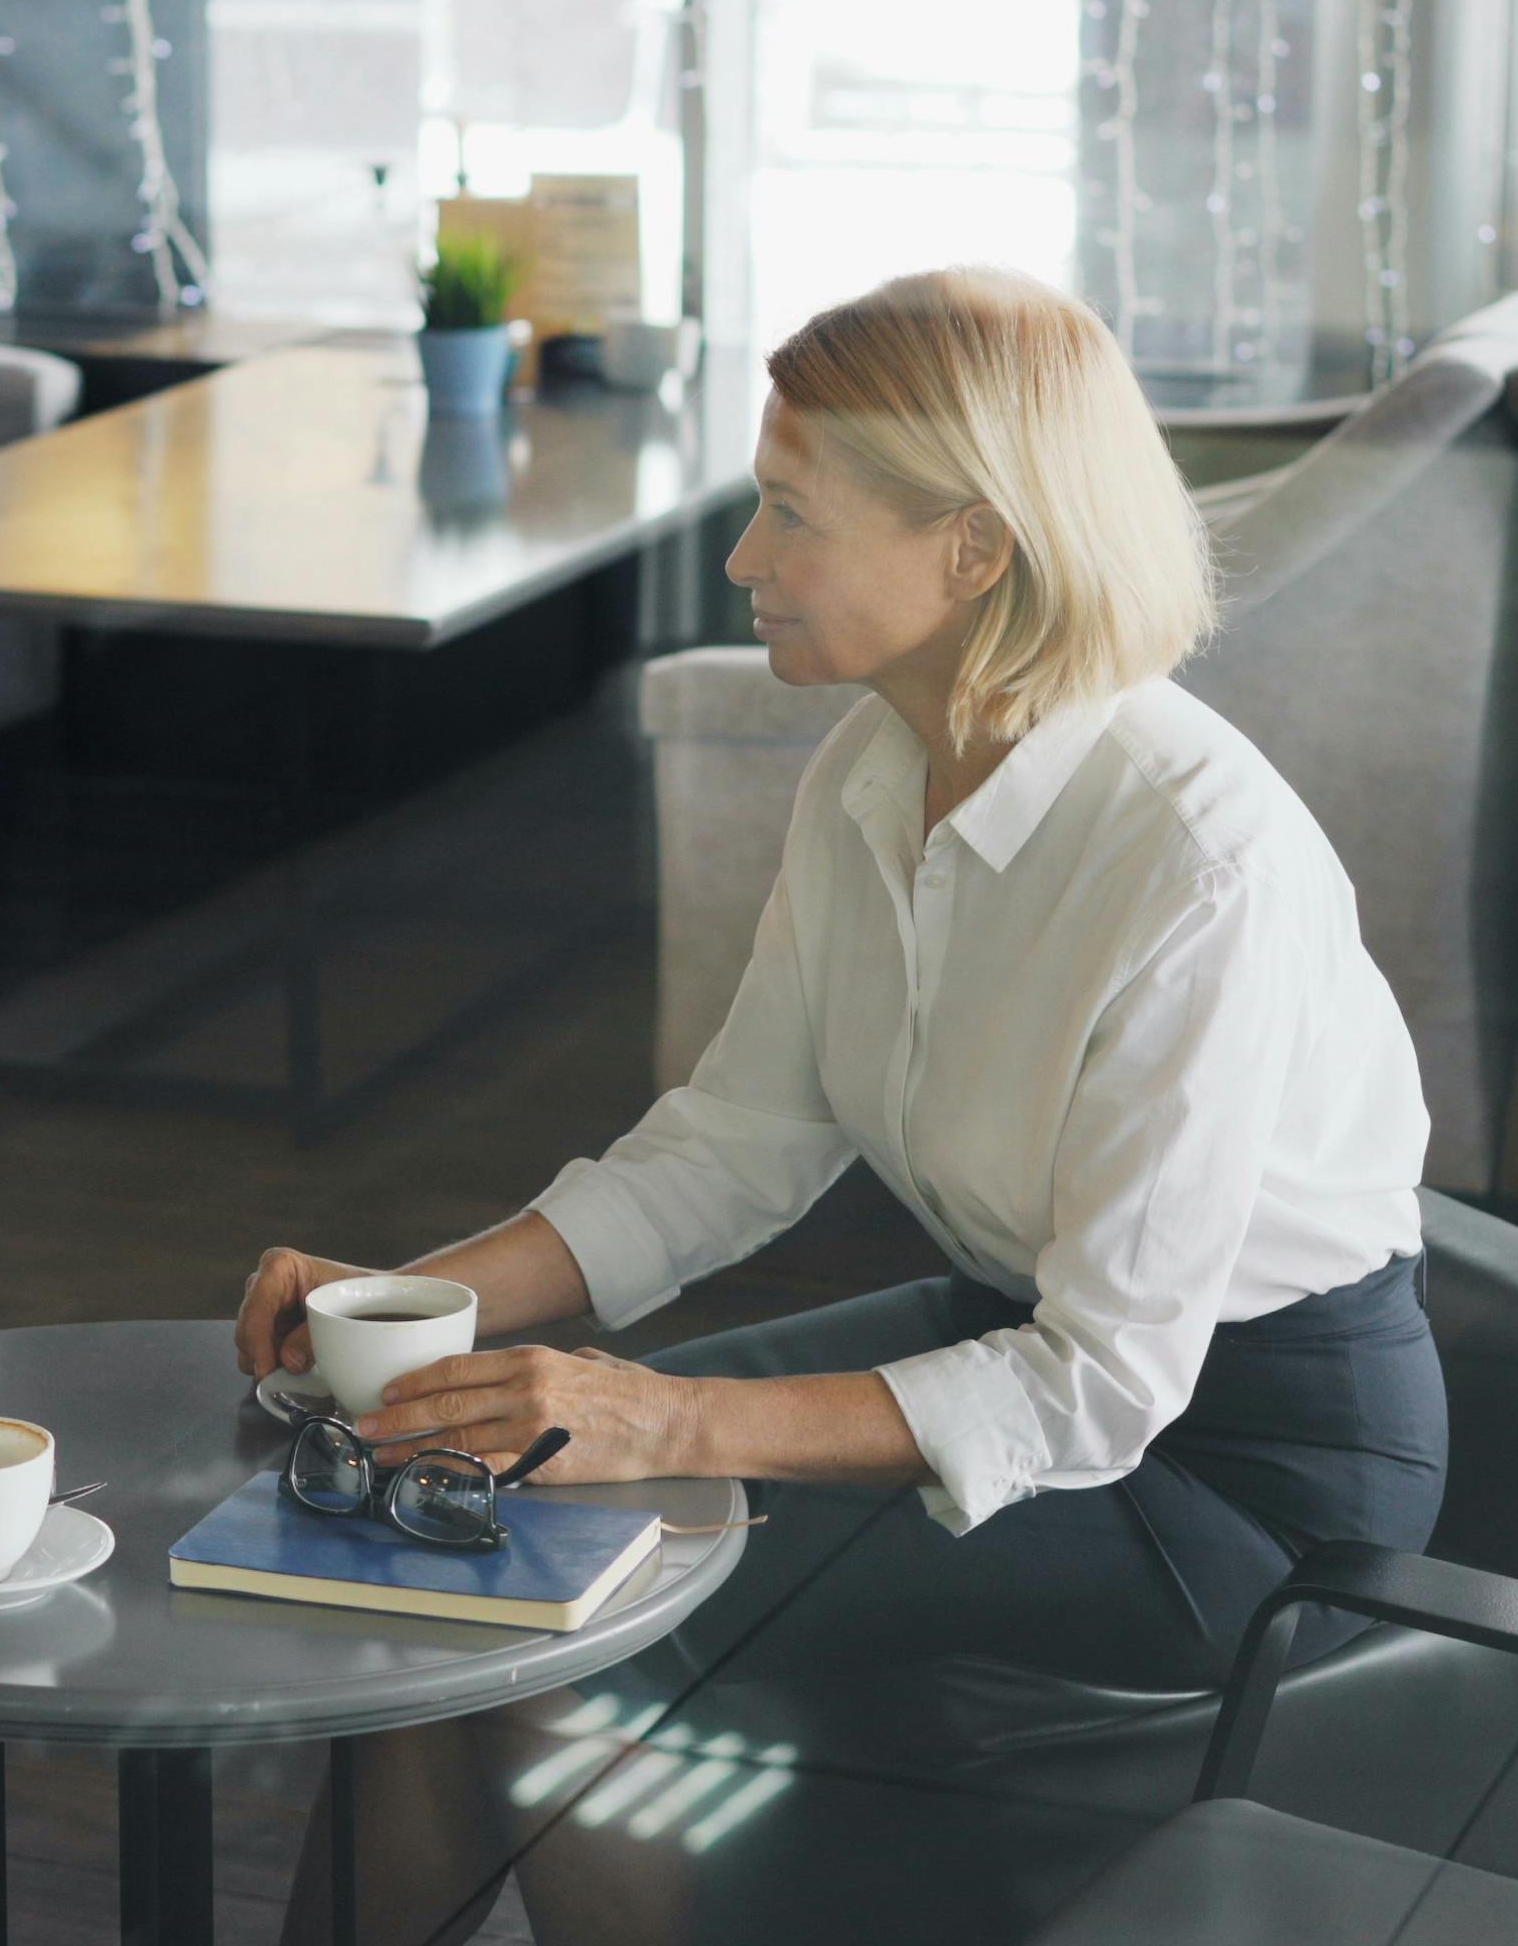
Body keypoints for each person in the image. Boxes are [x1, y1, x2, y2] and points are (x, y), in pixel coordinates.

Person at [237, 267, 1448, 1943]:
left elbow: (1106, 1387)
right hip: (1018, 1338)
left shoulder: (1196, 866)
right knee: (458, 1542)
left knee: (569, 1616)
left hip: (1237, 1476)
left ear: (974, 549)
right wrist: (402, 1306)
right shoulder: (875, 773)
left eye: (791, 513)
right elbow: (730, 1147)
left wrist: (667, 1422)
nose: (744, 558)